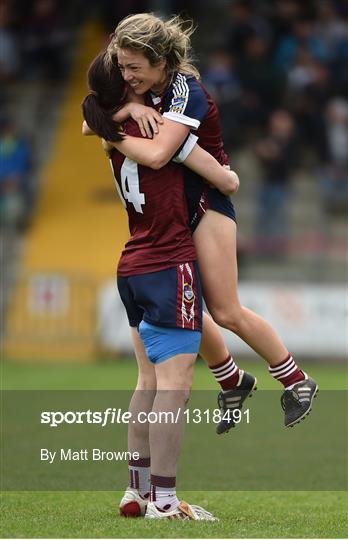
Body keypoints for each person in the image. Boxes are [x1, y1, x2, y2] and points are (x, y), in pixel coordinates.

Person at [105, 12, 318, 433]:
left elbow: (161, 152)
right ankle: (233, 379)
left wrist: (112, 128)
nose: (126, 76)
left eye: (134, 68)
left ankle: (296, 381)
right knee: (181, 307)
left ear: (161, 60)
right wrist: (127, 107)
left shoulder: (188, 91)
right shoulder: (136, 90)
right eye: (122, 67)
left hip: (206, 203)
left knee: (224, 310)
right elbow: (88, 115)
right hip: (171, 212)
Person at [82, 51, 245, 520]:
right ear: (127, 88)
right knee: (175, 387)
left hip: (131, 264)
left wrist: (122, 111)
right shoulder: (158, 131)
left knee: (147, 383)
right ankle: (167, 502)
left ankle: (135, 492)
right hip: (169, 264)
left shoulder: (112, 136)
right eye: (129, 75)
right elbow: (226, 180)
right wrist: (228, 175)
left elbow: (88, 117)